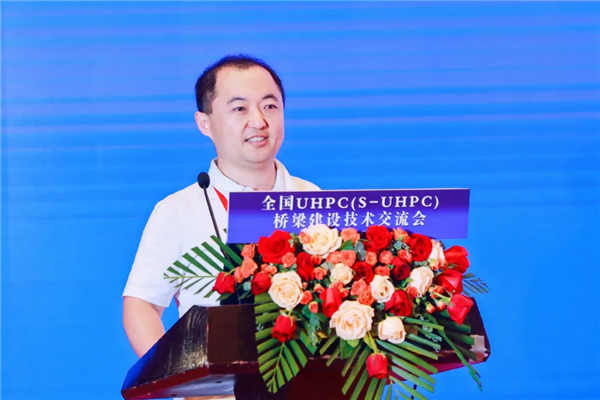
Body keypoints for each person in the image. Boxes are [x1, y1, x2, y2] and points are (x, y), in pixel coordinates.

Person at [122, 54, 320, 399]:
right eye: (240, 108)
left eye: (270, 106)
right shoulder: (178, 211)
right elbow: (142, 305)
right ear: (205, 122)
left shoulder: (312, 199)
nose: (258, 121)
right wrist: (187, 381)